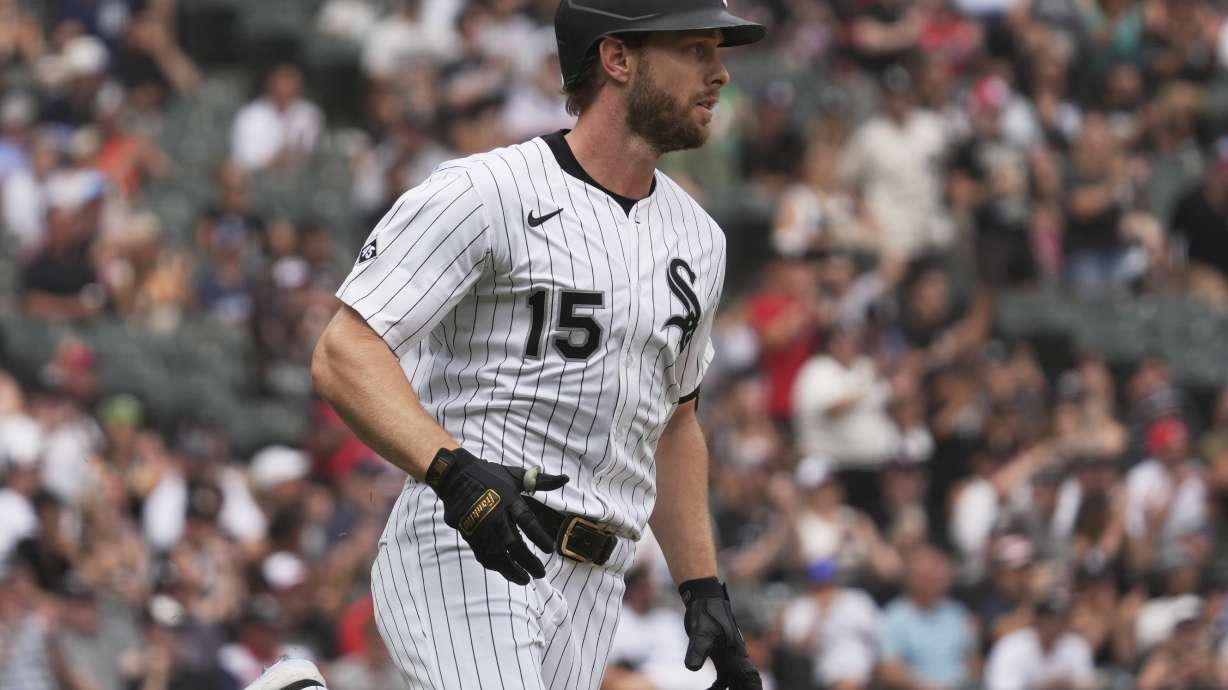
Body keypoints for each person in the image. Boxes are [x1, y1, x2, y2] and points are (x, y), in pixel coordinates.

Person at [308, 2, 767, 690]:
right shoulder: (487, 190)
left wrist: (703, 587)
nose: (719, 73)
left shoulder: (700, 239)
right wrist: (451, 471)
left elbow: (675, 421)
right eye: (695, 49)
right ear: (617, 59)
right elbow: (345, 351)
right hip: (468, 536)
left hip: (596, 577)